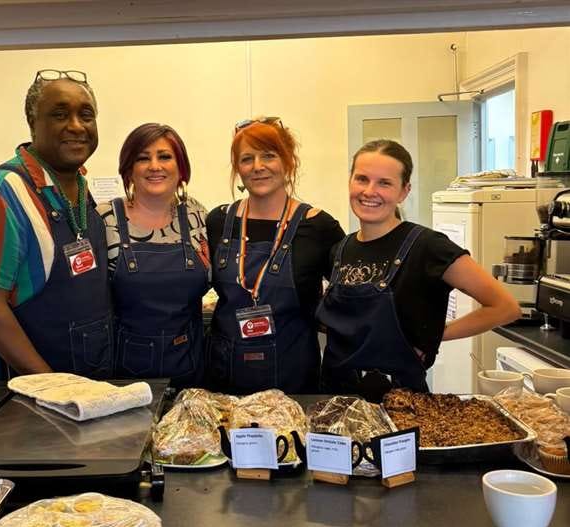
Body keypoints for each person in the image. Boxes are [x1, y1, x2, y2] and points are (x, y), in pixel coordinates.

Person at [317, 139, 521, 402]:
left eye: (385, 183)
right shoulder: (341, 249)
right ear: (350, 182)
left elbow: (505, 307)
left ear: (404, 191)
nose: (370, 191)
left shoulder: (428, 247)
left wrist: (434, 335)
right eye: (362, 179)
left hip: (397, 403)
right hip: (335, 398)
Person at [0, 69, 113, 380]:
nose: (76, 126)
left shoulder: (81, 187)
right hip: (35, 398)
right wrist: (50, 386)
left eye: (86, 115)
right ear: (33, 124)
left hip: (92, 383)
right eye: (60, 114)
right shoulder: (5, 190)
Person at [206, 117, 344, 394]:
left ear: (288, 162)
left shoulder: (318, 226)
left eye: (269, 155)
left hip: (293, 376)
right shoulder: (218, 221)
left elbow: (347, 294)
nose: (258, 167)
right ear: (238, 169)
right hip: (225, 374)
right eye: (247, 159)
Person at [97, 123, 210, 389]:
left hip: (190, 365)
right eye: (143, 158)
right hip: (124, 375)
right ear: (129, 170)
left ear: (181, 167)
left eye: (165, 156)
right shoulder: (105, 219)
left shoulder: (197, 216)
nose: (155, 166)